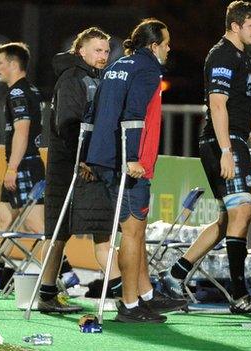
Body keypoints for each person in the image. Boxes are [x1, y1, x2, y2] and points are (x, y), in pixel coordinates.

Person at [159, 1, 251, 314]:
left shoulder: (242, 58)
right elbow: (218, 105)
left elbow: (242, 106)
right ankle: (239, 295)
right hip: (221, 143)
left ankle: (174, 274)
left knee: (228, 219)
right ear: (235, 26)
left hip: (233, 141)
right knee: (243, 213)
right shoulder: (222, 54)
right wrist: (226, 150)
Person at [86, 18, 187, 323]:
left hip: (104, 157)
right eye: (166, 43)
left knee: (136, 231)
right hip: (128, 163)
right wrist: (132, 158)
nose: (169, 49)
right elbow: (133, 115)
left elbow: (95, 109)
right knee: (132, 232)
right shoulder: (148, 68)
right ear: (154, 45)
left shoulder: (119, 64)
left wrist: (90, 154)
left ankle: (145, 295)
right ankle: (129, 304)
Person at [0, 42, 78, 292]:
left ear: (14, 64)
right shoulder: (32, 90)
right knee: (4, 220)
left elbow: (22, 130)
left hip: (24, 165)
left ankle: (66, 273)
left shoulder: (17, 93)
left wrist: (12, 167)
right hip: (24, 163)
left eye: (0, 63)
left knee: (37, 227)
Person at [37, 28, 123, 313]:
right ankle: (128, 298)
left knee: (84, 233)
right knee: (60, 233)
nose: (103, 56)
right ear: (81, 52)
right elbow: (69, 125)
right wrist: (85, 160)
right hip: (72, 166)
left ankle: (48, 294)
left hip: (87, 164)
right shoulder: (73, 78)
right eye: (97, 50)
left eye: (106, 50)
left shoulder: (96, 78)